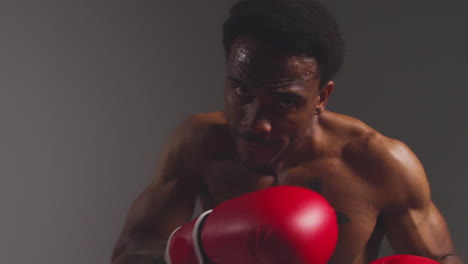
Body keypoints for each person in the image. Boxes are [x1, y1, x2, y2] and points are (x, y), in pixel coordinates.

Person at [110, 0, 462, 263]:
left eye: (283, 102)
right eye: (241, 91)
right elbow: (128, 255)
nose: (254, 121)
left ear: (322, 97)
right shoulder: (199, 144)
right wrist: (193, 246)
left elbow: (443, 258)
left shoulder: (379, 163)